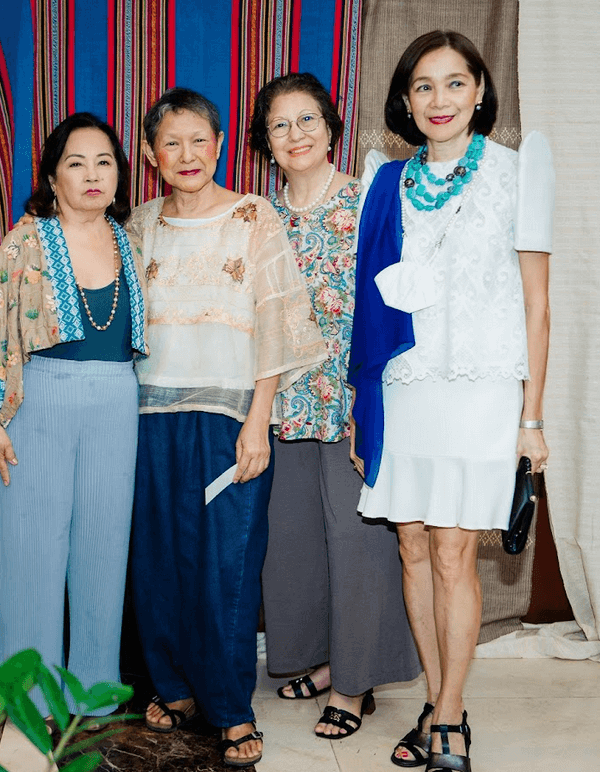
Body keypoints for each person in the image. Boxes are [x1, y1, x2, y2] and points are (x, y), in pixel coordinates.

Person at [349, 31, 552, 771]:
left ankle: (453, 716)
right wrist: (358, 403)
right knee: (408, 543)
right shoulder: (385, 181)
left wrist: (531, 420)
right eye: (423, 87)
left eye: (453, 83)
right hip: (401, 387)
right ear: (405, 101)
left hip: (480, 387)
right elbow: (362, 307)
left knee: (451, 553)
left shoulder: (515, 173)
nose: (439, 100)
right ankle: (434, 701)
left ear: (478, 92)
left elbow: (536, 307)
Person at [128, 87, 326, 768]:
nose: (186, 154)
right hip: (148, 417)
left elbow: (274, 322)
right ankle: (174, 687)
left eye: (198, 140)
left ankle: (229, 707)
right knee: (155, 562)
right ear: (151, 155)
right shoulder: (138, 224)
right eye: (170, 143)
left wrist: (256, 424)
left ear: (218, 145)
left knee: (226, 564)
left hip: (228, 419)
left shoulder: (253, 217)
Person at [0, 112, 146, 720]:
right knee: (29, 550)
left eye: (104, 162)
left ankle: (90, 689)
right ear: (53, 178)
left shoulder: (128, 239)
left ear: (119, 176)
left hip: (117, 402)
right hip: (39, 401)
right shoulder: (27, 240)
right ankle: (27, 696)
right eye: (76, 163)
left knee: (104, 549)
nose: (92, 174)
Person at [247, 73, 419, 739]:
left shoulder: (366, 201)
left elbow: (388, 305)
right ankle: (317, 661)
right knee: (290, 544)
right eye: (280, 125)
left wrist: (368, 399)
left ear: (331, 127)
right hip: (279, 403)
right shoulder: (259, 216)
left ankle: (353, 683)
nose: (295, 135)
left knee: (356, 544)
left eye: (306, 120)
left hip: (349, 399)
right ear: (266, 142)